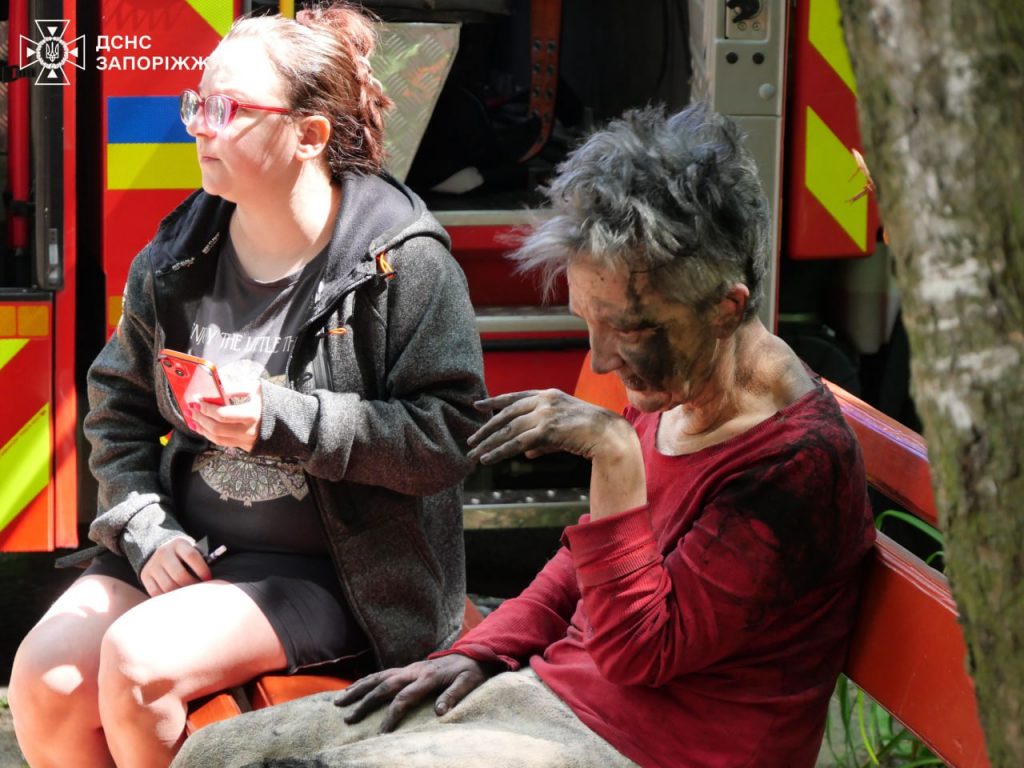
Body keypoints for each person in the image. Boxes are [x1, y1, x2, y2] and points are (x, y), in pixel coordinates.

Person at [169, 103, 877, 768]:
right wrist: (478, 650)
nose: (602, 361)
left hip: (649, 749)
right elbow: (579, 564)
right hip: (552, 698)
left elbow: (640, 655)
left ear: (726, 308)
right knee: (216, 753)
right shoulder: (689, 379)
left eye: (628, 329)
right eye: (588, 321)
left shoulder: (794, 465)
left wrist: (615, 456)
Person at [8, 5, 486, 768]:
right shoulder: (175, 257)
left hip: (340, 571)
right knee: (47, 677)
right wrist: (145, 527)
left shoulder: (404, 264)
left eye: (226, 109)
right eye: (196, 105)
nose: (200, 128)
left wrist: (281, 418)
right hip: (188, 548)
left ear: (309, 134)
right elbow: (118, 410)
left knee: (139, 661)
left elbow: (450, 438)